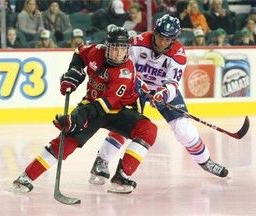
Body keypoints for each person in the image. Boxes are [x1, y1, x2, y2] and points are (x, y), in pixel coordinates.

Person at [11, 26, 158, 194]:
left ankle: (121, 175)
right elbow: (79, 52)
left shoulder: (125, 72)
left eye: (122, 48)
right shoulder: (95, 51)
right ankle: (26, 177)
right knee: (66, 141)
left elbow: (104, 105)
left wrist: (78, 117)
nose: (118, 53)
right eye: (114, 48)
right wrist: (74, 71)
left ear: (127, 49)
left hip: (117, 110)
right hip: (92, 103)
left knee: (148, 130)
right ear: (106, 47)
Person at [88, 14, 229, 186]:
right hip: (134, 86)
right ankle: (101, 161)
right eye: (160, 37)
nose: (162, 43)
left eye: (167, 40)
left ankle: (206, 161)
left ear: (174, 40)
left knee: (184, 129)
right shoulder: (137, 42)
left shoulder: (178, 54)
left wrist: (162, 93)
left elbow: (172, 83)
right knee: (125, 124)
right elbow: (124, 67)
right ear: (154, 33)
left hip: (162, 90)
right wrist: (137, 84)